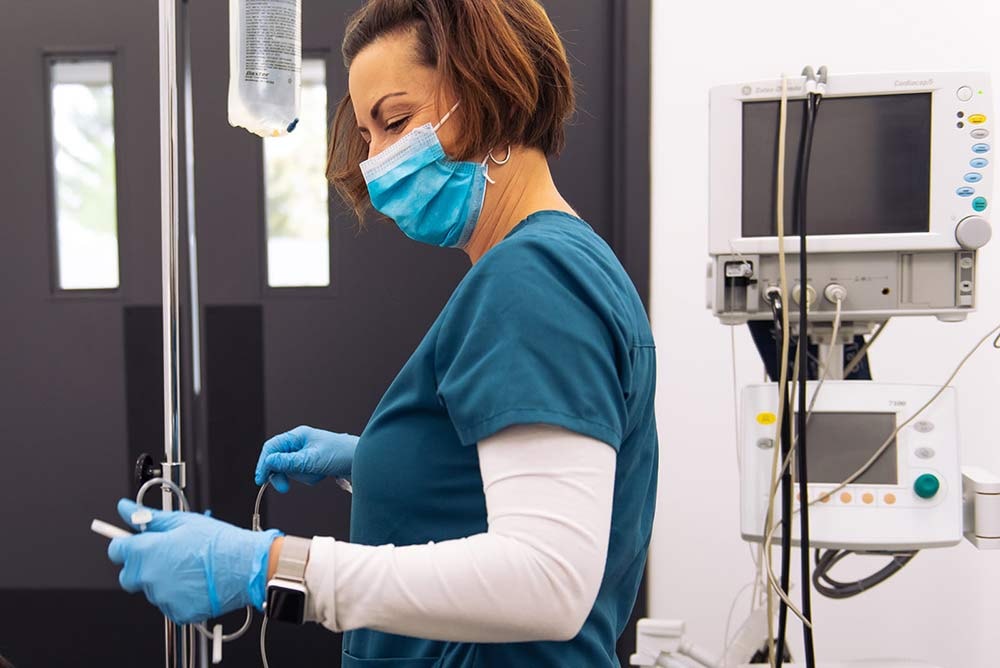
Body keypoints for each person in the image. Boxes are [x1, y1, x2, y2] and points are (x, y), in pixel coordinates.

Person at [107, 1, 658, 665]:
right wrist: (377, 459)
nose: (374, 161)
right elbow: (507, 485)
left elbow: (547, 581)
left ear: (493, 94)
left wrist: (270, 565)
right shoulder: (562, 260)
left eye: (395, 121)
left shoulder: (533, 278)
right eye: (367, 134)